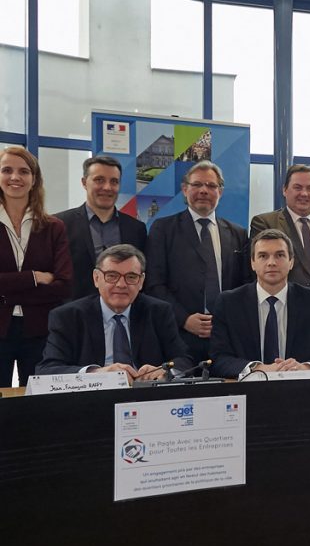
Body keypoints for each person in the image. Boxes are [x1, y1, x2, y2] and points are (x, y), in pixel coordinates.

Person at [144, 161, 249, 362]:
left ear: (220, 192)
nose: (203, 190)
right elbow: (154, 284)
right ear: (185, 190)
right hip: (179, 336)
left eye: (211, 185)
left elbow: (244, 285)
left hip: (227, 337)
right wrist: (184, 319)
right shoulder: (163, 229)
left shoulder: (238, 233)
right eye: (197, 184)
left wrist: (229, 319)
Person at [37, 244, 190, 381]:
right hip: (93, 397)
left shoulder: (158, 311)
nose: (121, 284)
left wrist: (164, 371)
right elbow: (47, 370)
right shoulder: (68, 317)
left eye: (131, 277)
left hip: (145, 396)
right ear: (96, 278)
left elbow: (183, 359)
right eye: (112, 276)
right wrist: (96, 373)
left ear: (141, 281)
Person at [209, 229, 310, 378]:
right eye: (263, 256)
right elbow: (218, 359)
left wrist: (303, 368)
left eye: (279, 255)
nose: (271, 263)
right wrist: (258, 369)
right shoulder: (229, 303)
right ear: (252, 263)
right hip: (248, 389)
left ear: (291, 262)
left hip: (300, 388)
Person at [0, 146, 72, 385]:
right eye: (7, 170)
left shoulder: (54, 227)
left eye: (23, 171)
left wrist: (5, 294)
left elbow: (63, 285)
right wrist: (34, 277)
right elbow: (50, 285)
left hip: (40, 331)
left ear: (34, 179)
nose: (15, 177)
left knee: (36, 400)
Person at [249, 164, 310, 315]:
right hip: (280, 315)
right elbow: (259, 269)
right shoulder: (265, 223)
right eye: (297, 187)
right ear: (284, 190)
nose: (304, 193)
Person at [55, 155, 147, 301]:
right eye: (99, 180)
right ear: (84, 183)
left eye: (114, 181)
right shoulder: (59, 224)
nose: (107, 187)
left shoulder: (136, 229)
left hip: (123, 311)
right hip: (74, 311)